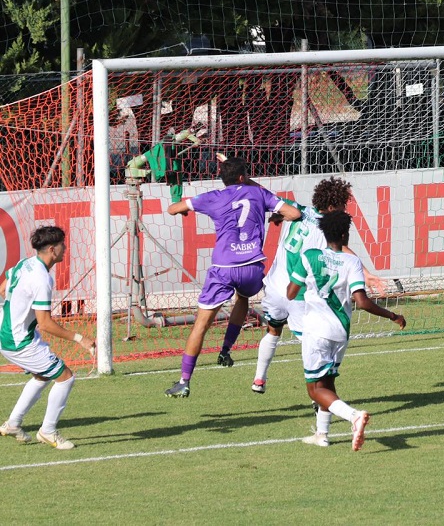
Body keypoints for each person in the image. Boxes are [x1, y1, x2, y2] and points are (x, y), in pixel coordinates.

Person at [164, 156, 301, 397]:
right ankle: (226, 350)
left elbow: (173, 208)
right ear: (242, 176)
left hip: (224, 268)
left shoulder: (213, 198)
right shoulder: (258, 194)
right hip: (252, 268)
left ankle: (184, 381)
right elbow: (294, 213)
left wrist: (181, 210)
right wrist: (276, 213)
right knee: (243, 298)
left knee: (201, 325)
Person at [287, 210, 405, 450]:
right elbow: (362, 302)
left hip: (316, 330)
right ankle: (322, 434)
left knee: (314, 389)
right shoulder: (352, 262)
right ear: (344, 235)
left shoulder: (309, 255)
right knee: (327, 384)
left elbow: (291, 292)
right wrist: (392, 315)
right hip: (340, 332)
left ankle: (353, 416)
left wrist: (309, 286)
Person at [253, 176, 361, 394]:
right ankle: (318, 400)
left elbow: (264, 191)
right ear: (331, 207)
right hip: (297, 295)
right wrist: (366, 272)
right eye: (342, 205)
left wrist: (245, 179)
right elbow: (344, 253)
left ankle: (259, 379)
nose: (344, 210)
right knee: (312, 345)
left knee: (274, 330)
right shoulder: (327, 230)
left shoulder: (295, 209)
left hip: (274, 288)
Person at [0, 226, 95, 450]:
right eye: (63, 245)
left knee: (43, 376)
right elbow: (45, 323)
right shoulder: (42, 279)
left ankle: (13, 424)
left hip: (10, 333)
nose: (66, 249)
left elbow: (3, 289)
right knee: (65, 377)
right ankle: (48, 431)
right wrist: (79, 338)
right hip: (19, 341)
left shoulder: (25, 263)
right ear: (52, 249)